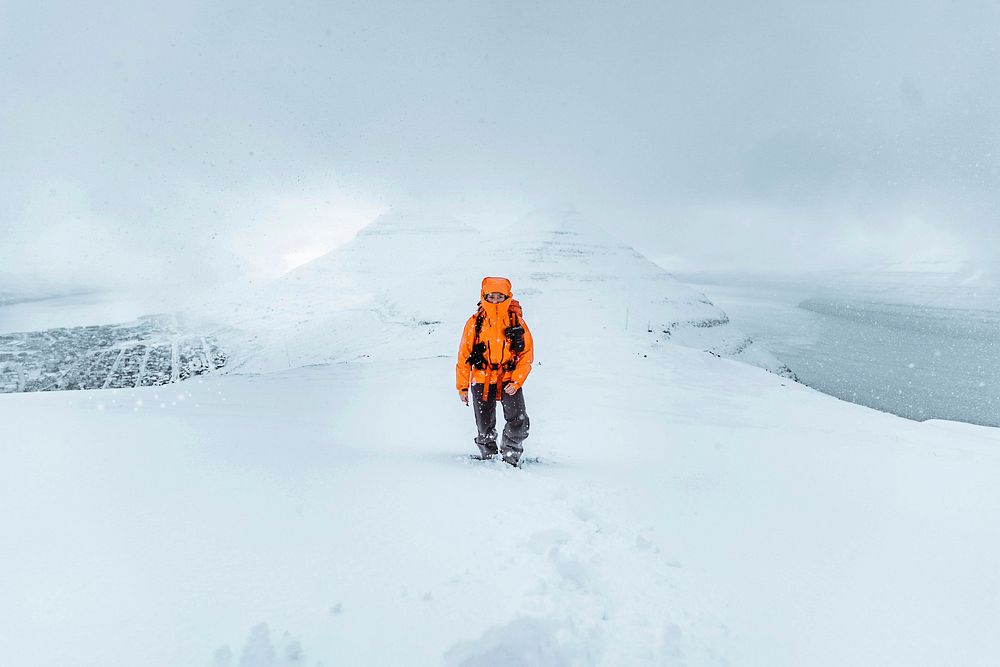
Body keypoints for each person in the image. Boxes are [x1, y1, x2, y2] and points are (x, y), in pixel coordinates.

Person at [456, 276, 533, 466]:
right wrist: (463, 387)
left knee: (519, 422)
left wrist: (516, 381)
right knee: (484, 425)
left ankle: (511, 455)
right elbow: (464, 356)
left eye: (500, 296)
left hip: (508, 379)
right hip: (481, 379)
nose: (495, 300)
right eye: (492, 296)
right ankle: (488, 456)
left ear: (507, 296)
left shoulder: (516, 321)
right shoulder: (475, 322)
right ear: (484, 296)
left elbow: (526, 355)